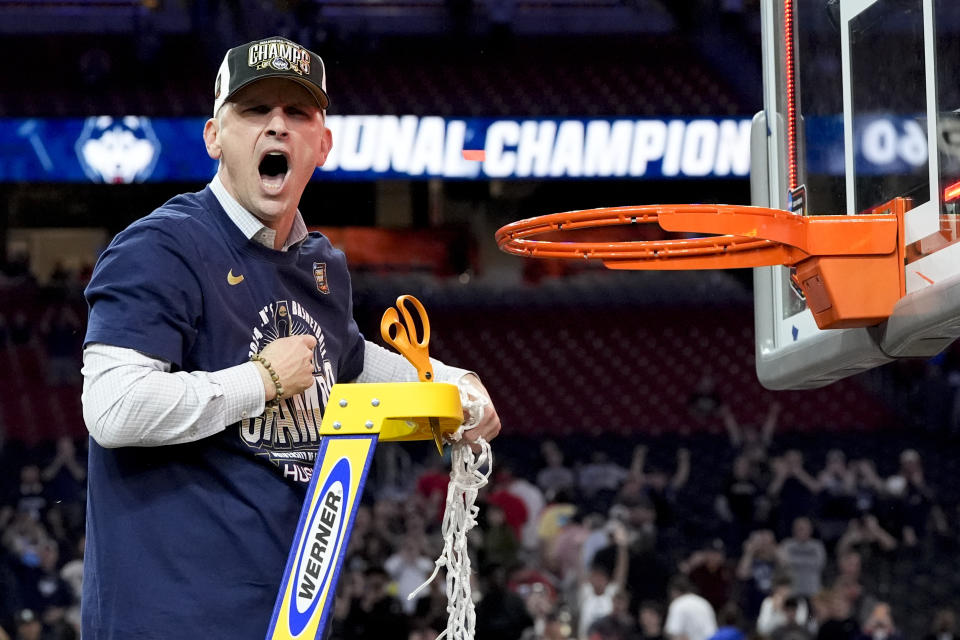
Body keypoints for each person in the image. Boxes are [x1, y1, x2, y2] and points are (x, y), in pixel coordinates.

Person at [79, 36, 501, 639]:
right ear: (214, 137)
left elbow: (351, 363)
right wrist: (262, 379)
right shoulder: (161, 246)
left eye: (297, 113)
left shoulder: (319, 265)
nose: (277, 126)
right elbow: (113, 408)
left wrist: (453, 383)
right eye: (255, 111)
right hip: (170, 621)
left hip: (287, 620)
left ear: (321, 144)